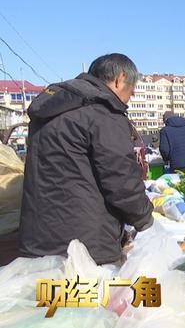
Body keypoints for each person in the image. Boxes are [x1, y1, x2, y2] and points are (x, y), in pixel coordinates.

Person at [18, 53, 153, 265]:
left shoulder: (51, 112)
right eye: (132, 88)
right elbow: (120, 180)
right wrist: (145, 219)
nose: (132, 94)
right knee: (92, 297)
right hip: (86, 246)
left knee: (53, 297)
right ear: (119, 79)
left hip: (39, 241)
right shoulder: (103, 113)